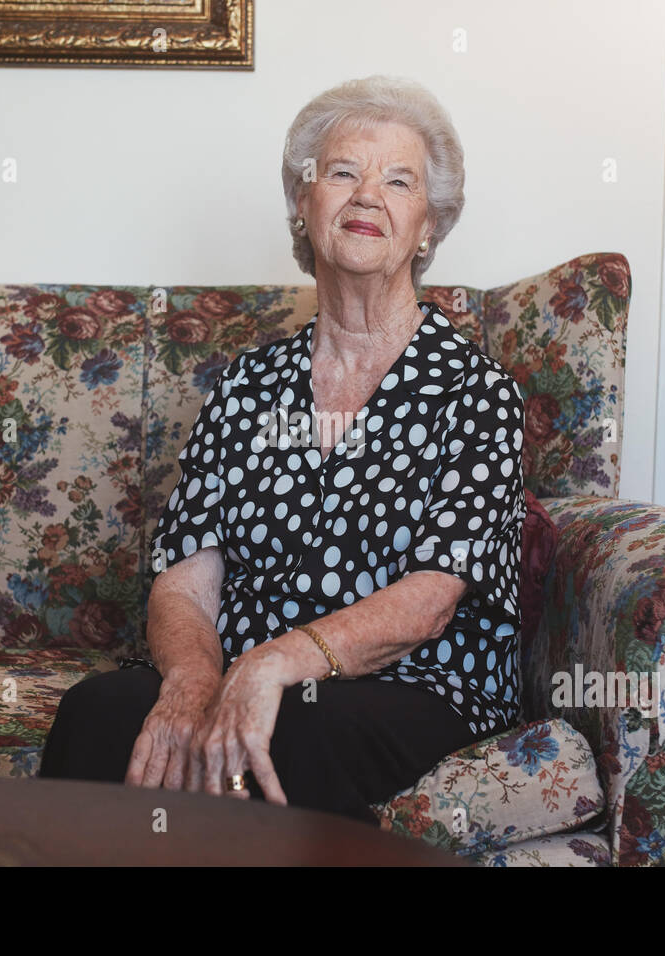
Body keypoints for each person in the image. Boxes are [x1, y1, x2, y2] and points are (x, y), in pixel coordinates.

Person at [40, 75, 526, 825]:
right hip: (243, 673)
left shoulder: (475, 392)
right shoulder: (247, 384)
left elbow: (429, 604)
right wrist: (196, 678)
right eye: (341, 172)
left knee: (291, 730)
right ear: (305, 205)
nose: (367, 196)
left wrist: (272, 664)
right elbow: (186, 579)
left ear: (427, 227)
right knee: (101, 708)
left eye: (398, 181)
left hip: (413, 688)